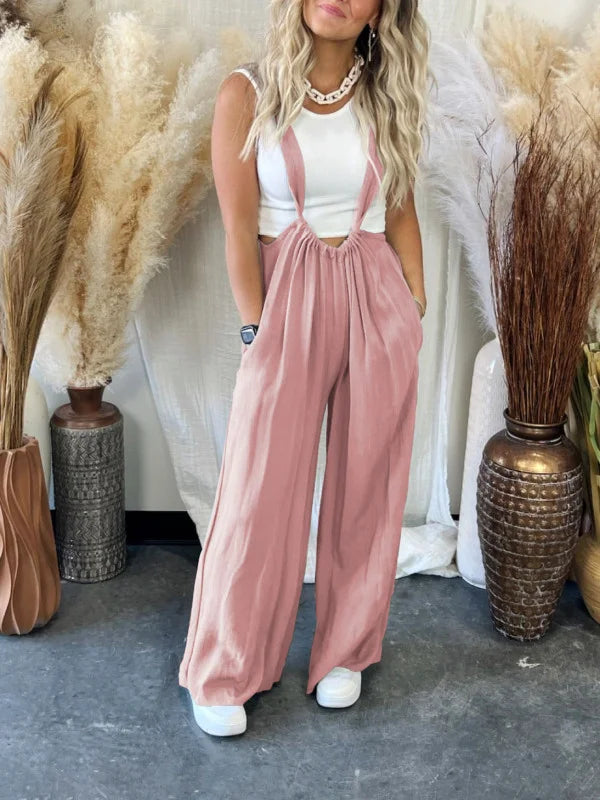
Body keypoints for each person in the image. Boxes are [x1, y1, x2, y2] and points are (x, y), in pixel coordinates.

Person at [179, 0, 429, 737]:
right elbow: (237, 226)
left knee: (368, 484)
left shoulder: (386, 96)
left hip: (374, 298)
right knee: (260, 490)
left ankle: (346, 650)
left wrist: (414, 309)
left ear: (382, 12)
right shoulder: (247, 94)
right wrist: (255, 326)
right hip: (286, 301)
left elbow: (401, 210)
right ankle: (226, 666)